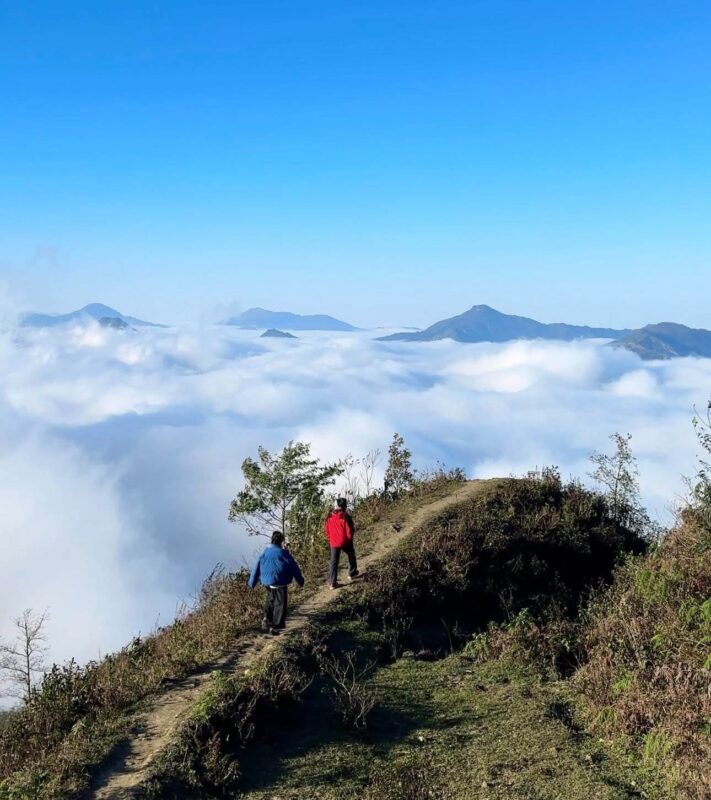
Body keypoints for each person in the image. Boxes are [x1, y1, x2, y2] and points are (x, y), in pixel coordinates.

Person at [247, 531, 304, 634]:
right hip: (281, 581)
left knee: (270, 599)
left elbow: (256, 569)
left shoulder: (264, 553)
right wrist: (300, 581)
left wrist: (251, 583)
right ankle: (275, 626)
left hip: (267, 581)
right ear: (281, 541)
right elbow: (294, 568)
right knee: (280, 604)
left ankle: (267, 618)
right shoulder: (284, 553)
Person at [324, 497, 359, 589]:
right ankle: (352, 573)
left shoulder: (330, 516)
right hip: (344, 541)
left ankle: (332, 583)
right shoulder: (346, 516)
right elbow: (349, 531)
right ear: (345, 506)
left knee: (333, 562)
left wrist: (330, 539)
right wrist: (349, 541)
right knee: (351, 553)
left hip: (333, 542)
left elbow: (326, 530)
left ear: (337, 505)